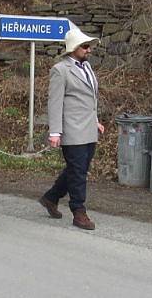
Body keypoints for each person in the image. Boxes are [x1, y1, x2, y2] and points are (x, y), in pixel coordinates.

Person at [38, 28, 104, 231]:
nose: (89, 50)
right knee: (78, 172)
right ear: (73, 48)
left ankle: (51, 197)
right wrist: (55, 132)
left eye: (89, 46)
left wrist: (95, 120)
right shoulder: (61, 70)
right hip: (72, 129)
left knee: (78, 169)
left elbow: (89, 99)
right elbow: (55, 102)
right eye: (85, 46)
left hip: (88, 128)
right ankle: (78, 211)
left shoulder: (87, 68)